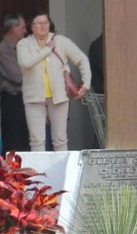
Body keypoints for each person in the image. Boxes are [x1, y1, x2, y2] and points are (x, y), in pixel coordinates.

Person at [17, 12, 92, 152]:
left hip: (58, 97)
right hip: (34, 99)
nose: (43, 26)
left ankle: (62, 173)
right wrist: (46, 50)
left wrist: (86, 82)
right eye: (39, 23)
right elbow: (25, 62)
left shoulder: (60, 41)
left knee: (60, 140)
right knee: (37, 141)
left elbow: (82, 59)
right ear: (31, 27)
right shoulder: (24, 43)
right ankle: (39, 173)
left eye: (46, 22)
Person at [0, 13, 28, 154]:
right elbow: (17, 76)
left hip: (23, 99)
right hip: (12, 100)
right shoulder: (3, 50)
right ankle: (11, 175)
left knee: (25, 141)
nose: (25, 31)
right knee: (14, 142)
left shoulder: (21, 48)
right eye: (23, 27)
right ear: (13, 27)